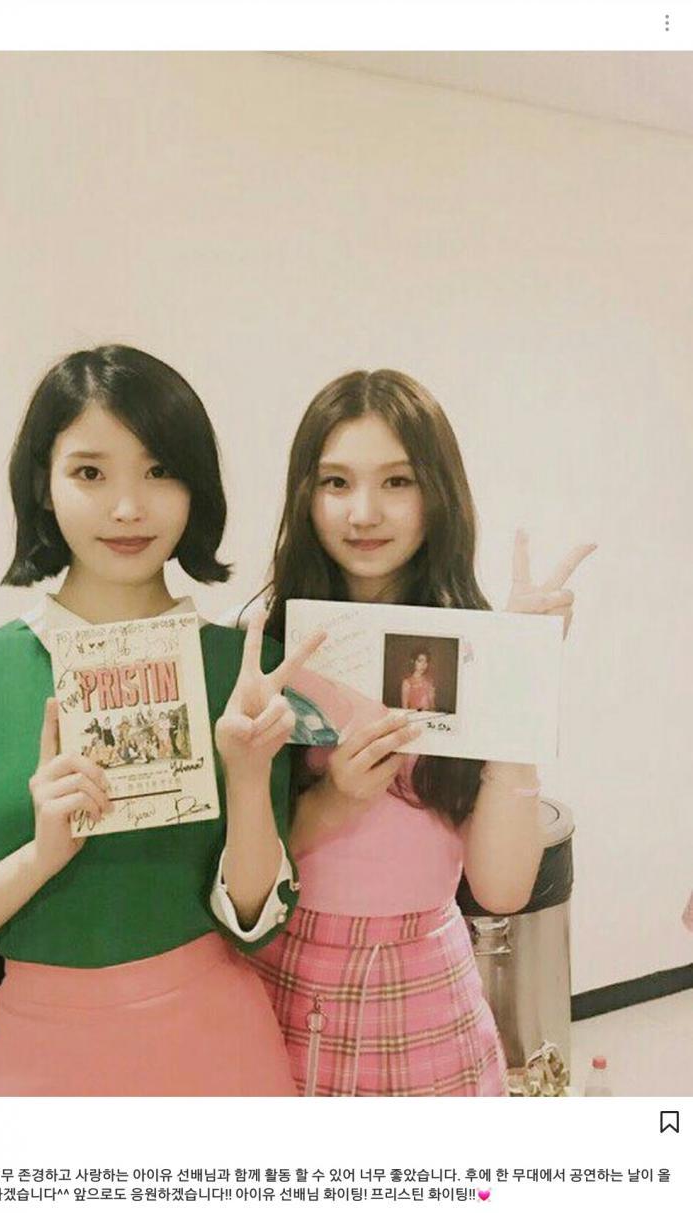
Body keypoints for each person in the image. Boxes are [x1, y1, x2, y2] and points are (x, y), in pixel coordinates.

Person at [0, 344, 322, 1096]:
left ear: (195, 487)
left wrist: (249, 778)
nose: (127, 507)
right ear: (43, 484)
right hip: (41, 1057)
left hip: (219, 1047)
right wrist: (39, 857)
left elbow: (257, 919)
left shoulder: (244, 665)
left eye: (159, 470)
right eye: (90, 473)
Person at [250, 369, 594, 1096]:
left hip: (429, 986)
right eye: (336, 482)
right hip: (286, 977)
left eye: (397, 481)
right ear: (304, 495)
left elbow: (502, 888)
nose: (364, 512)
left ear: (437, 492)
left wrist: (520, 675)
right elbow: (237, 875)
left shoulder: (472, 647)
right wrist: (335, 798)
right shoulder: (265, 648)